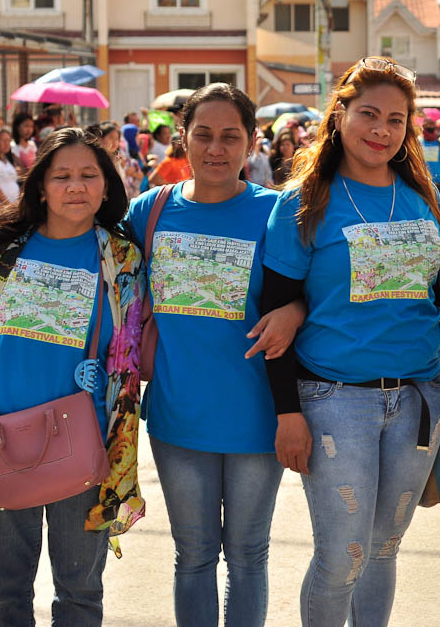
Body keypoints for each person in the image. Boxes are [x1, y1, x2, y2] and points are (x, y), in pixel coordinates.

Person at [260, 56, 440, 627]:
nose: (381, 130)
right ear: (340, 114)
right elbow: (271, 320)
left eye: (396, 120)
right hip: (334, 402)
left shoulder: (423, 198)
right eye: (369, 114)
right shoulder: (303, 203)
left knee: (383, 548)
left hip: (419, 401)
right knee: (341, 553)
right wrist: (287, 414)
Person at [124, 83, 303, 626]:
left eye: (231, 136)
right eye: (203, 135)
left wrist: (294, 312)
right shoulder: (148, 212)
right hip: (179, 419)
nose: (216, 148)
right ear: (183, 139)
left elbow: (316, 289)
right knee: (194, 558)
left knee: (248, 557)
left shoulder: (277, 212)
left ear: (251, 143)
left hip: (257, 417)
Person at [0, 127, 145, 626]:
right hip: (3, 439)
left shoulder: (122, 258)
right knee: (3, 596)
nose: (76, 186)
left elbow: (130, 349)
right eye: (61, 175)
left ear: (106, 187)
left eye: (89, 175)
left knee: (81, 594)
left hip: (85, 443)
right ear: (40, 185)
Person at [0, 129, 20, 203]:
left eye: (8, 140)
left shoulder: (8, 159)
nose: (7, 143)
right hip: (3, 205)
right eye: (3, 140)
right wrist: (6, 204)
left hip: (14, 204)